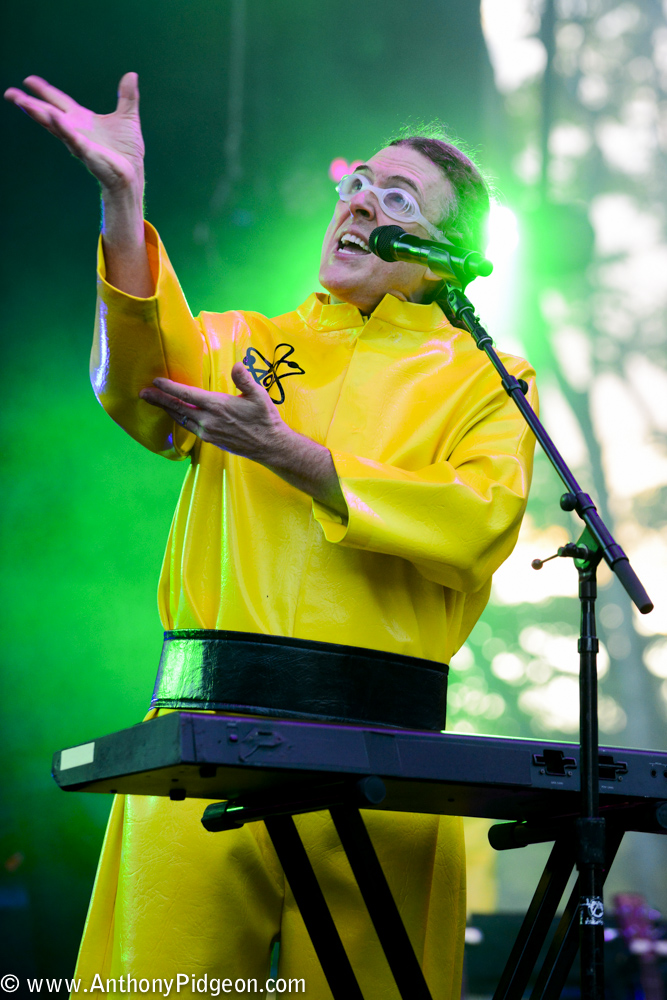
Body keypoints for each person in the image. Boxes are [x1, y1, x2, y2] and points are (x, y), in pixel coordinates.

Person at [5, 72, 537, 999]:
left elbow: (477, 519)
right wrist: (122, 205)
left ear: (444, 255)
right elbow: (141, 377)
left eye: (396, 196)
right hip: (201, 744)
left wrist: (300, 460)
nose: (362, 200)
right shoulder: (245, 341)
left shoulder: (487, 376)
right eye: (358, 183)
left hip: (392, 766)